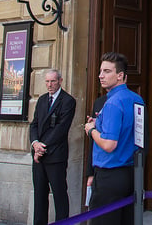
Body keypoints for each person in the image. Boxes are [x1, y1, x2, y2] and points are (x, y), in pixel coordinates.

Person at [84, 52, 144, 225]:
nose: (100, 75)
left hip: (109, 176)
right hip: (130, 174)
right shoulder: (136, 98)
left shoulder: (112, 103)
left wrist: (91, 130)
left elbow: (109, 144)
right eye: (101, 71)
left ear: (120, 76)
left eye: (107, 71)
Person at [29, 68, 76, 225]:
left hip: (55, 156)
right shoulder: (42, 100)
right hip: (38, 156)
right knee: (40, 195)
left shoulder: (68, 101)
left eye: (53, 81)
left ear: (60, 81)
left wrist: (43, 146)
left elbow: (61, 129)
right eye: (47, 81)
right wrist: (35, 143)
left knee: (59, 195)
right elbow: (34, 124)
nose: (49, 85)